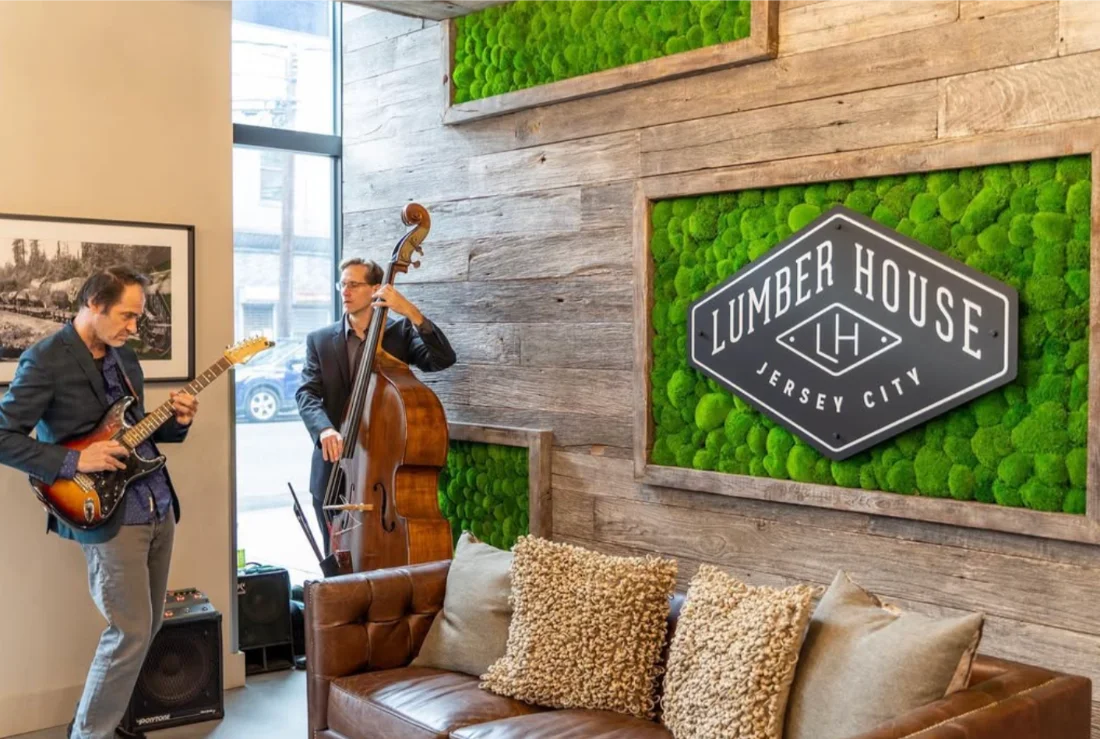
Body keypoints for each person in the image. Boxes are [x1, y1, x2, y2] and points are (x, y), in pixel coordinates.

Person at [0, 266, 198, 739]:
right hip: (109, 516)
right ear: (93, 304)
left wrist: (179, 422)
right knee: (130, 632)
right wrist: (75, 461)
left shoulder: (125, 357)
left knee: (146, 628)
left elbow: (135, 431)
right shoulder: (44, 360)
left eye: (138, 317)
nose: (134, 327)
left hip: (157, 504)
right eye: (127, 316)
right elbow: (4, 436)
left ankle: (89, 723)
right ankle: (90, 734)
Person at [296, 257, 456, 554]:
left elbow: (442, 359)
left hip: (382, 469)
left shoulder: (399, 334)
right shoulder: (319, 340)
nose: (345, 291)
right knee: (336, 557)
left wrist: (411, 312)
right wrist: (324, 429)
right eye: (342, 284)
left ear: (375, 290)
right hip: (334, 470)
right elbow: (307, 393)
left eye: (354, 285)